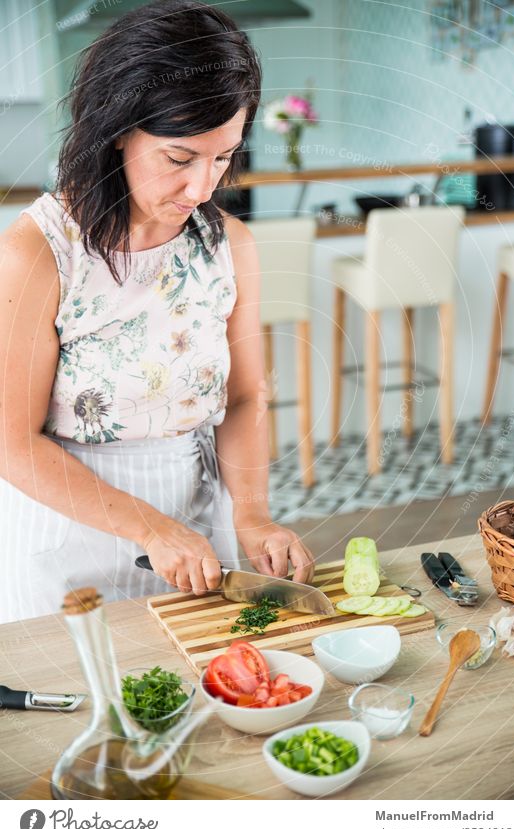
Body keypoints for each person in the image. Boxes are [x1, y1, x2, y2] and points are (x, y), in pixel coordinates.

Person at [0, 0, 314, 624]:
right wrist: (149, 528)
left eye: (223, 157)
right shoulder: (37, 253)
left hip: (197, 527)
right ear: (115, 130)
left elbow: (247, 396)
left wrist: (250, 515)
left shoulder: (228, 245)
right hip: (68, 533)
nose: (202, 188)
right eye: (179, 158)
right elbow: (11, 442)